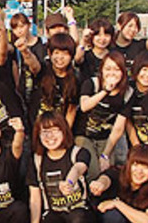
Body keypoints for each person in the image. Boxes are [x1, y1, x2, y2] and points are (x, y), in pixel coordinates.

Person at [28, 112, 95, 223]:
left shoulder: (78, 152)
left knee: (77, 220)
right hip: (54, 214)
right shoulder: (36, 160)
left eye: (55, 130)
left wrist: (70, 181)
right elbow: (35, 200)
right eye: (44, 132)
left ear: (64, 131)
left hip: (79, 211)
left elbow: (79, 167)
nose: (50, 137)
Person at [75, 51, 133, 180]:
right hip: (84, 134)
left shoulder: (127, 92)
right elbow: (84, 106)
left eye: (117, 69)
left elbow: (118, 127)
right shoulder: (92, 83)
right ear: (101, 70)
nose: (112, 73)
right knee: (93, 171)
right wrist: (106, 90)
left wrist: (105, 155)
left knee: (107, 172)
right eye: (108, 69)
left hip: (105, 137)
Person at [30, 33, 78, 130]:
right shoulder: (42, 69)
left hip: (57, 129)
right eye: (56, 53)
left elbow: (71, 110)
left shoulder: (75, 78)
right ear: (49, 53)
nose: (60, 57)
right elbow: (33, 64)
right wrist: (24, 51)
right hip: (36, 126)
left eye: (65, 53)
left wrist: (65, 133)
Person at [113, 11, 148, 76]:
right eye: (130, 26)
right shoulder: (109, 46)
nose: (133, 30)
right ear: (119, 26)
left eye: (136, 27)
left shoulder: (139, 46)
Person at [9, 12, 44, 110]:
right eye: (15, 28)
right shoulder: (15, 47)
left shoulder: (42, 43)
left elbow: (37, 68)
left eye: (21, 26)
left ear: (29, 25)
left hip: (40, 89)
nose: (19, 31)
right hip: (23, 91)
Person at [76, 17, 114, 86]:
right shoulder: (86, 55)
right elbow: (77, 59)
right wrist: (84, 40)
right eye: (98, 35)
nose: (102, 39)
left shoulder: (114, 56)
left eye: (106, 35)